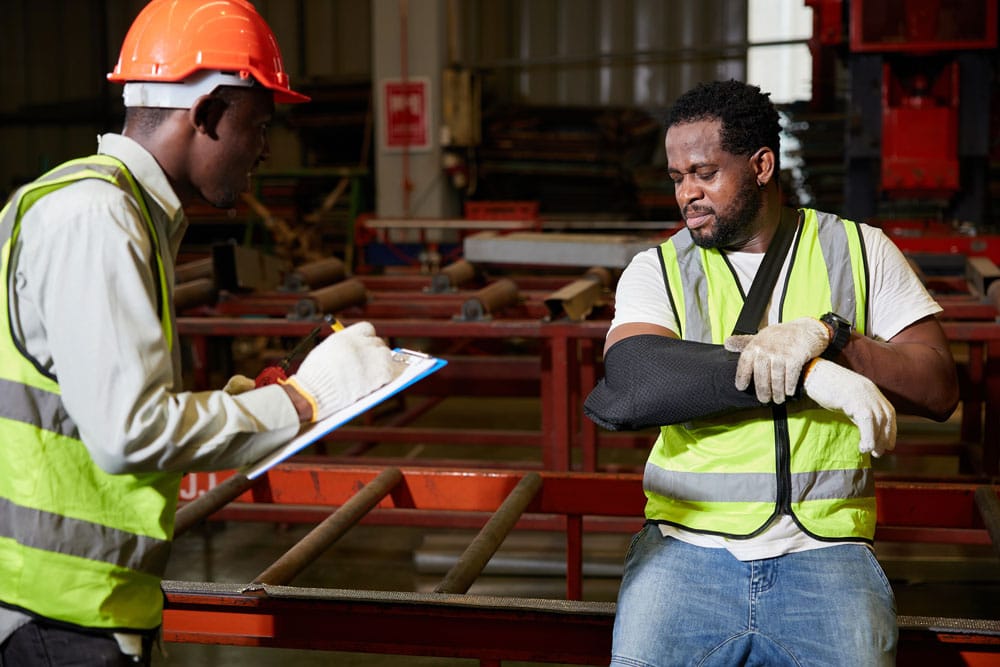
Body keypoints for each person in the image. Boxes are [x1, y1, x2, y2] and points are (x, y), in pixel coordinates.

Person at [0, 1, 399, 664]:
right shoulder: (97, 218)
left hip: (81, 608)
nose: (266, 149)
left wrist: (251, 399)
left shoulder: (105, 207)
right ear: (210, 111)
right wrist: (302, 404)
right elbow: (129, 429)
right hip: (59, 620)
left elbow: (84, 405)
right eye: (259, 125)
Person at [584, 79, 958, 666]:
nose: (688, 194)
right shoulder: (657, 268)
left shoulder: (861, 250)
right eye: (677, 178)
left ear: (761, 165)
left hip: (826, 552)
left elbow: (938, 386)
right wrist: (812, 375)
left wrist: (836, 340)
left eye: (705, 173)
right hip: (685, 550)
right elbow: (632, 385)